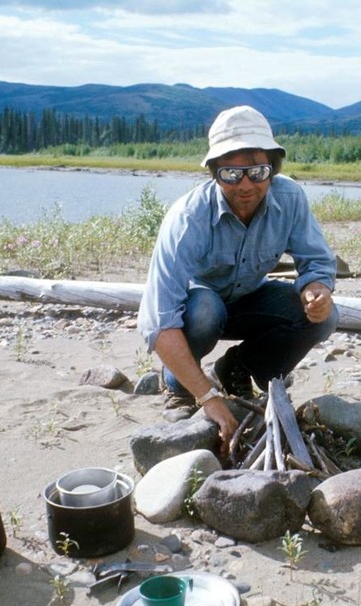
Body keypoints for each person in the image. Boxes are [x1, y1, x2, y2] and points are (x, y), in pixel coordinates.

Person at [137, 105, 339, 446]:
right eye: (232, 174)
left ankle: (237, 368)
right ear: (214, 172)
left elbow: (317, 260)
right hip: (199, 310)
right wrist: (207, 398)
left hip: (249, 299)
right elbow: (158, 321)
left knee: (326, 318)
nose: (246, 185)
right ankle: (178, 386)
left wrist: (316, 289)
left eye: (257, 172)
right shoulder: (187, 217)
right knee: (204, 310)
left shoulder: (290, 198)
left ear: (272, 169)